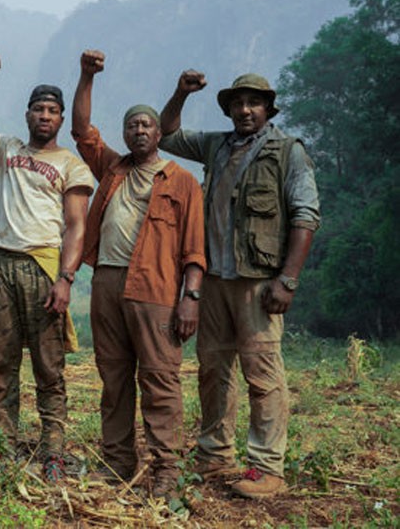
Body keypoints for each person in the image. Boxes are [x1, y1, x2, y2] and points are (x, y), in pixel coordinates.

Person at [159, 70, 320, 498]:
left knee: (262, 373)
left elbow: (305, 216)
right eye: (237, 103)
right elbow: (167, 134)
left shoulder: (288, 151)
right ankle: (216, 455)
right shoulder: (216, 145)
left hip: (258, 282)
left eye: (253, 103)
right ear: (228, 109)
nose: (245, 110)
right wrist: (181, 93)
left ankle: (267, 467)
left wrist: (287, 280)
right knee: (213, 370)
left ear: (268, 108)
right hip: (214, 279)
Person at [0, 53, 93, 483]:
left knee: (49, 368)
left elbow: (76, 226)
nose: (44, 116)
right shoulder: (8, 148)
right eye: (38, 109)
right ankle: (4, 448)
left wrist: (66, 278)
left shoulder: (71, 164)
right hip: (0, 267)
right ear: (27, 114)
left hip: (43, 267)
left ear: (61, 118)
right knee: (3, 366)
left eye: (52, 110)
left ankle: (53, 453)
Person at [71, 50, 206, 498]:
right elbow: (81, 130)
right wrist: (87, 76)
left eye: (147, 125)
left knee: (160, 379)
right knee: (113, 377)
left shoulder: (181, 180)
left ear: (159, 133)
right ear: (125, 133)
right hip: (107, 283)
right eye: (132, 125)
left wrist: (190, 299)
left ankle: (167, 470)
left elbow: (195, 249)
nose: (139, 131)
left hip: (156, 288)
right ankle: (117, 463)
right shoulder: (113, 168)